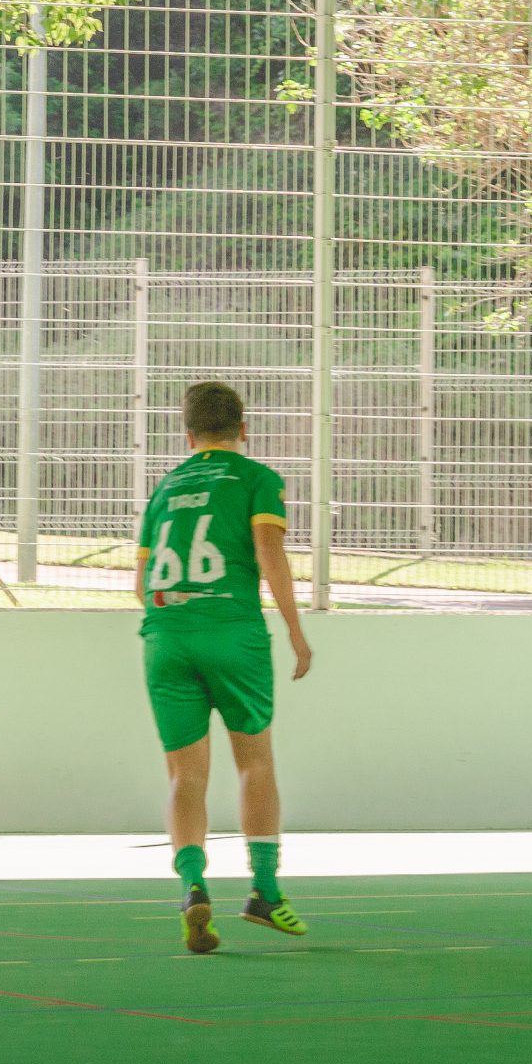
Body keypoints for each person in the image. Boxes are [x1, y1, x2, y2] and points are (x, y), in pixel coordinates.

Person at [135, 382, 312, 953]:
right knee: (254, 762)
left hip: (165, 637)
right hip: (233, 633)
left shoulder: (165, 488)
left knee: (185, 776)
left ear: (188, 435)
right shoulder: (257, 478)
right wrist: (295, 629)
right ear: (243, 428)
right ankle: (264, 891)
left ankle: (192, 884)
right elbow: (269, 551)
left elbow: (140, 583)